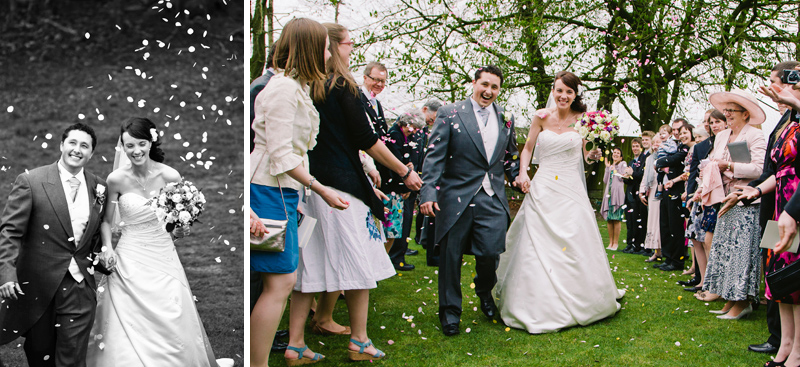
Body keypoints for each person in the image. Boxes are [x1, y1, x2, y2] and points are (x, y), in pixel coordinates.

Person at [291, 22, 422, 361]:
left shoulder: (308, 85)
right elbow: (366, 140)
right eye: (348, 43)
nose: (352, 49)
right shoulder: (342, 85)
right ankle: (360, 341)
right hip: (340, 187)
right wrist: (403, 169)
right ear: (332, 46)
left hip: (311, 183)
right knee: (359, 259)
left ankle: (295, 343)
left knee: (311, 262)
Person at [248, 18, 347, 367]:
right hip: (267, 188)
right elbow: (279, 153)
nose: (328, 53)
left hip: (284, 189)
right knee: (280, 282)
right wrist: (320, 189)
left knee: (282, 281)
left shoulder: (297, 87)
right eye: (323, 46)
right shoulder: (283, 90)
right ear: (307, 48)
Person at [84, 118, 223, 365]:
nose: (136, 151)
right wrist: (107, 249)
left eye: (141, 144)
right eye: (129, 146)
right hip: (128, 254)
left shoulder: (170, 175)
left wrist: (181, 229)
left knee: (172, 311)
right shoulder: (115, 179)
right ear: (122, 148)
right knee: (124, 316)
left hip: (162, 254)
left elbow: (174, 224)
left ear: (151, 142)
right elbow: (106, 221)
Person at [494, 71, 624, 334]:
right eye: (559, 90)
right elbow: (528, 147)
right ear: (553, 91)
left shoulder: (584, 121)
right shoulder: (540, 117)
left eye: (569, 91)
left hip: (570, 187)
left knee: (575, 236)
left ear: (575, 95)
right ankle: (533, 301)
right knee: (534, 239)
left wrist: (593, 154)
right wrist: (523, 172)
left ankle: (585, 296)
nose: (563, 95)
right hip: (543, 184)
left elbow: (586, 156)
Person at [420, 65, 520, 336]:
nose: (488, 91)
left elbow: (511, 158)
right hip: (455, 198)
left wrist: (520, 177)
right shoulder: (449, 113)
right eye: (484, 84)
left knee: (490, 254)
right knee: (450, 259)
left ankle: (484, 290)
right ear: (474, 83)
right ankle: (450, 312)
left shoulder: (506, 118)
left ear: (500, 90)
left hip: (492, 199)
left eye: (495, 87)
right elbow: (434, 156)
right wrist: (428, 191)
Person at [0, 123, 108, 367]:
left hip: (79, 288)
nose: (77, 150)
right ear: (61, 145)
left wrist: (104, 258)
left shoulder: (100, 187)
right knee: (40, 353)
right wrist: (7, 273)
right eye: (73, 143)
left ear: (91, 153)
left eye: (85, 146)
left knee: (72, 357)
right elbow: (10, 231)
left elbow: (97, 236)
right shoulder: (31, 181)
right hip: (38, 287)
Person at [743, 60, 800, 356]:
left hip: (794, 204)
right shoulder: (785, 120)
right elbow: (773, 171)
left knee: (793, 275)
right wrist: (752, 190)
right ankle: (779, 340)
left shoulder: (793, 116)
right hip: (773, 205)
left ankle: (790, 346)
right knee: (774, 270)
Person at [702, 90, 766, 319]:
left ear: (745, 114)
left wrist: (727, 166)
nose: (727, 114)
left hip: (746, 200)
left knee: (741, 253)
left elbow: (759, 169)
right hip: (724, 198)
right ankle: (729, 299)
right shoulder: (722, 136)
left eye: (731, 111)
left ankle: (742, 302)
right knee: (726, 251)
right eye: (726, 110)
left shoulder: (755, 136)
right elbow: (713, 162)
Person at [682, 111, 726, 293]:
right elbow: (693, 172)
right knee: (695, 236)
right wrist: (690, 193)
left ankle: (710, 282)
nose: (712, 125)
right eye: (710, 122)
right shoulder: (701, 147)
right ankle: (701, 279)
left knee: (709, 239)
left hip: (717, 194)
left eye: (716, 121)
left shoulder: (726, 144)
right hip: (698, 195)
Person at [386, 109, 426, 270]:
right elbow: (395, 164)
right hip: (393, 188)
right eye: (413, 127)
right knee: (392, 227)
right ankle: (389, 261)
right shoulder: (394, 135)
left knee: (397, 226)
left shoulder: (404, 136)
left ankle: (389, 261)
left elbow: (407, 163)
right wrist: (404, 183)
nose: (414, 132)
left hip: (402, 186)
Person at [654, 123, 690, 272]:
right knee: (665, 224)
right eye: (674, 130)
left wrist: (659, 162)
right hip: (666, 188)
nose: (677, 133)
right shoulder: (672, 145)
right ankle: (668, 257)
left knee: (675, 226)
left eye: (679, 130)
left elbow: (676, 159)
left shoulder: (684, 148)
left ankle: (677, 260)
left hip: (677, 188)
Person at [622, 138, 649, 254]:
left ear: (641, 147)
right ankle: (630, 243)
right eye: (633, 146)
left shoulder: (644, 160)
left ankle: (639, 245)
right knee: (630, 221)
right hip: (630, 194)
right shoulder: (631, 162)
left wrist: (633, 174)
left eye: (637, 146)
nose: (635, 148)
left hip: (639, 194)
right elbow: (629, 180)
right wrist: (625, 177)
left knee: (639, 221)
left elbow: (641, 176)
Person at [641, 133, 663, 262]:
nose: (655, 146)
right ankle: (656, 251)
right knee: (652, 221)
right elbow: (645, 176)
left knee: (661, 222)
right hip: (651, 190)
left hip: (661, 191)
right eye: (654, 143)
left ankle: (663, 249)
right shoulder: (649, 159)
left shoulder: (666, 157)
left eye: (658, 143)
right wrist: (641, 191)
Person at [602, 147, 627, 250]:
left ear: (621, 157)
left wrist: (615, 169)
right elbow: (605, 180)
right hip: (609, 195)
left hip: (617, 196)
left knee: (616, 219)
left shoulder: (622, 164)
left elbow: (622, 177)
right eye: (614, 152)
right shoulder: (610, 166)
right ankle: (610, 242)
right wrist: (608, 168)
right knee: (609, 219)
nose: (616, 154)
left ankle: (616, 243)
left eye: (618, 153)